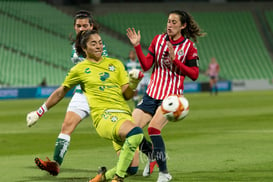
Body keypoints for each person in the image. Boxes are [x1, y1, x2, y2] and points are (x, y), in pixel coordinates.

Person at [27, 29, 144, 182]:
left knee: (132, 168)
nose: (98, 46)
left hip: (123, 116)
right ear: (84, 48)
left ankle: (99, 179)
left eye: (100, 43)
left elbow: (127, 95)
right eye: (93, 44)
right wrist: (40, 111)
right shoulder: (80, 69)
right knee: (136, 134)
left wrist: (133, 83)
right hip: (105, 116)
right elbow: (61, 92)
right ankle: (117, 179)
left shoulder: (116, 64)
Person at [26, 10, 109, 176]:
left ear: (91, 26)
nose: (82, 28)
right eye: (79, 26)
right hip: (82, 93)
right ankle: (55, 164)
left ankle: (146, 149)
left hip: (102, 94)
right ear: (74, 27)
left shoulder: (98, 46)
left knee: (117, 132)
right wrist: (39, 112)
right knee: (66, 126)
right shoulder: (75, 47)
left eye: (85, 25)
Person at [126, 10, 205, 182]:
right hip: (151, 94)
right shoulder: (158, 40)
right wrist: (137, 46)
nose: (170, 25)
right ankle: (151, 154)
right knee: (130, 129)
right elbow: (146, 65)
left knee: (153, 129)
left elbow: (194, 74)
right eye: (169, 21)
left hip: (171, 98)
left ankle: (164, 173)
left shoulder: (189, 47)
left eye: (174, 22)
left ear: (183, 26)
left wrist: (175, 60)